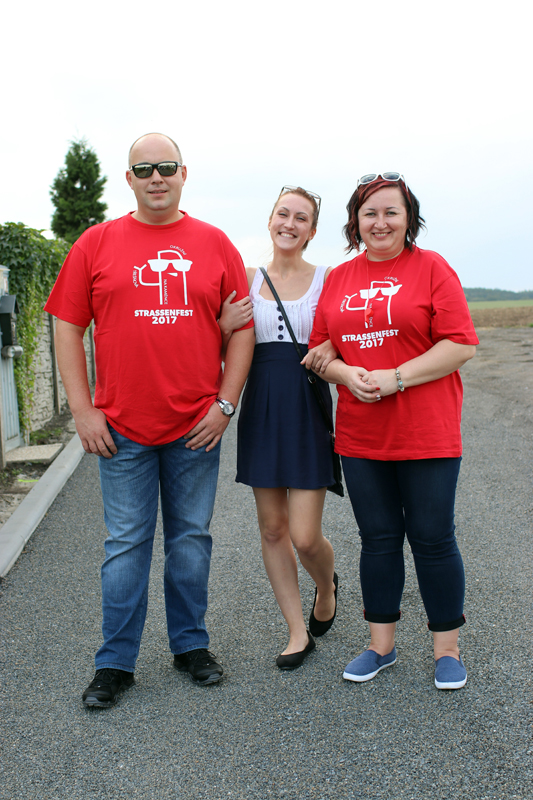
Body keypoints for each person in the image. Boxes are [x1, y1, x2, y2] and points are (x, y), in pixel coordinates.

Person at [45, 132, 255, 707]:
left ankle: (190, 646)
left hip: (196, 426)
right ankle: (115, 663)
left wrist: (224, 405)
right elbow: (67, 326)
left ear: (184, 173)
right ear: (129, 179)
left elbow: (242, 329)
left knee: (190, 541)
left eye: (166, 167)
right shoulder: (95, 243)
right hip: (121, 429)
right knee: (126, 546)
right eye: (144, 169)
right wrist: (83, 410)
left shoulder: (214, 244)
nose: (155, 177)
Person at [304, 173, 478, 689]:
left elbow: (461, 343)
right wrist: (345, 374)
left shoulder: (432, 268)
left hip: (427, 433)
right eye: (369, 213)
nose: (380, 222)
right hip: (362, 437)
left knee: (433, 538)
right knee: (378, 540)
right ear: (355, 221)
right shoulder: (340, 277)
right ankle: (381, 646)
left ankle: (447, 650)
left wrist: (396, 377)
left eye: (391, 212)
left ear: (408, 218)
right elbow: (319, 350)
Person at [225, 186, 338, 670]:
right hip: (261, 405)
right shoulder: (247, 279)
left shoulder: (328, 279)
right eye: (282, 214)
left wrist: (331, 347)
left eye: (301, 218)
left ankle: (327, 587)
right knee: (273, 529)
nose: (289, 223)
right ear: (270, 220)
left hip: (307, 405)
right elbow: (224, 346)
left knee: (305, 535)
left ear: (312, 231)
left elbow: (345, 335)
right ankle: (296, 631)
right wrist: (222, 324)